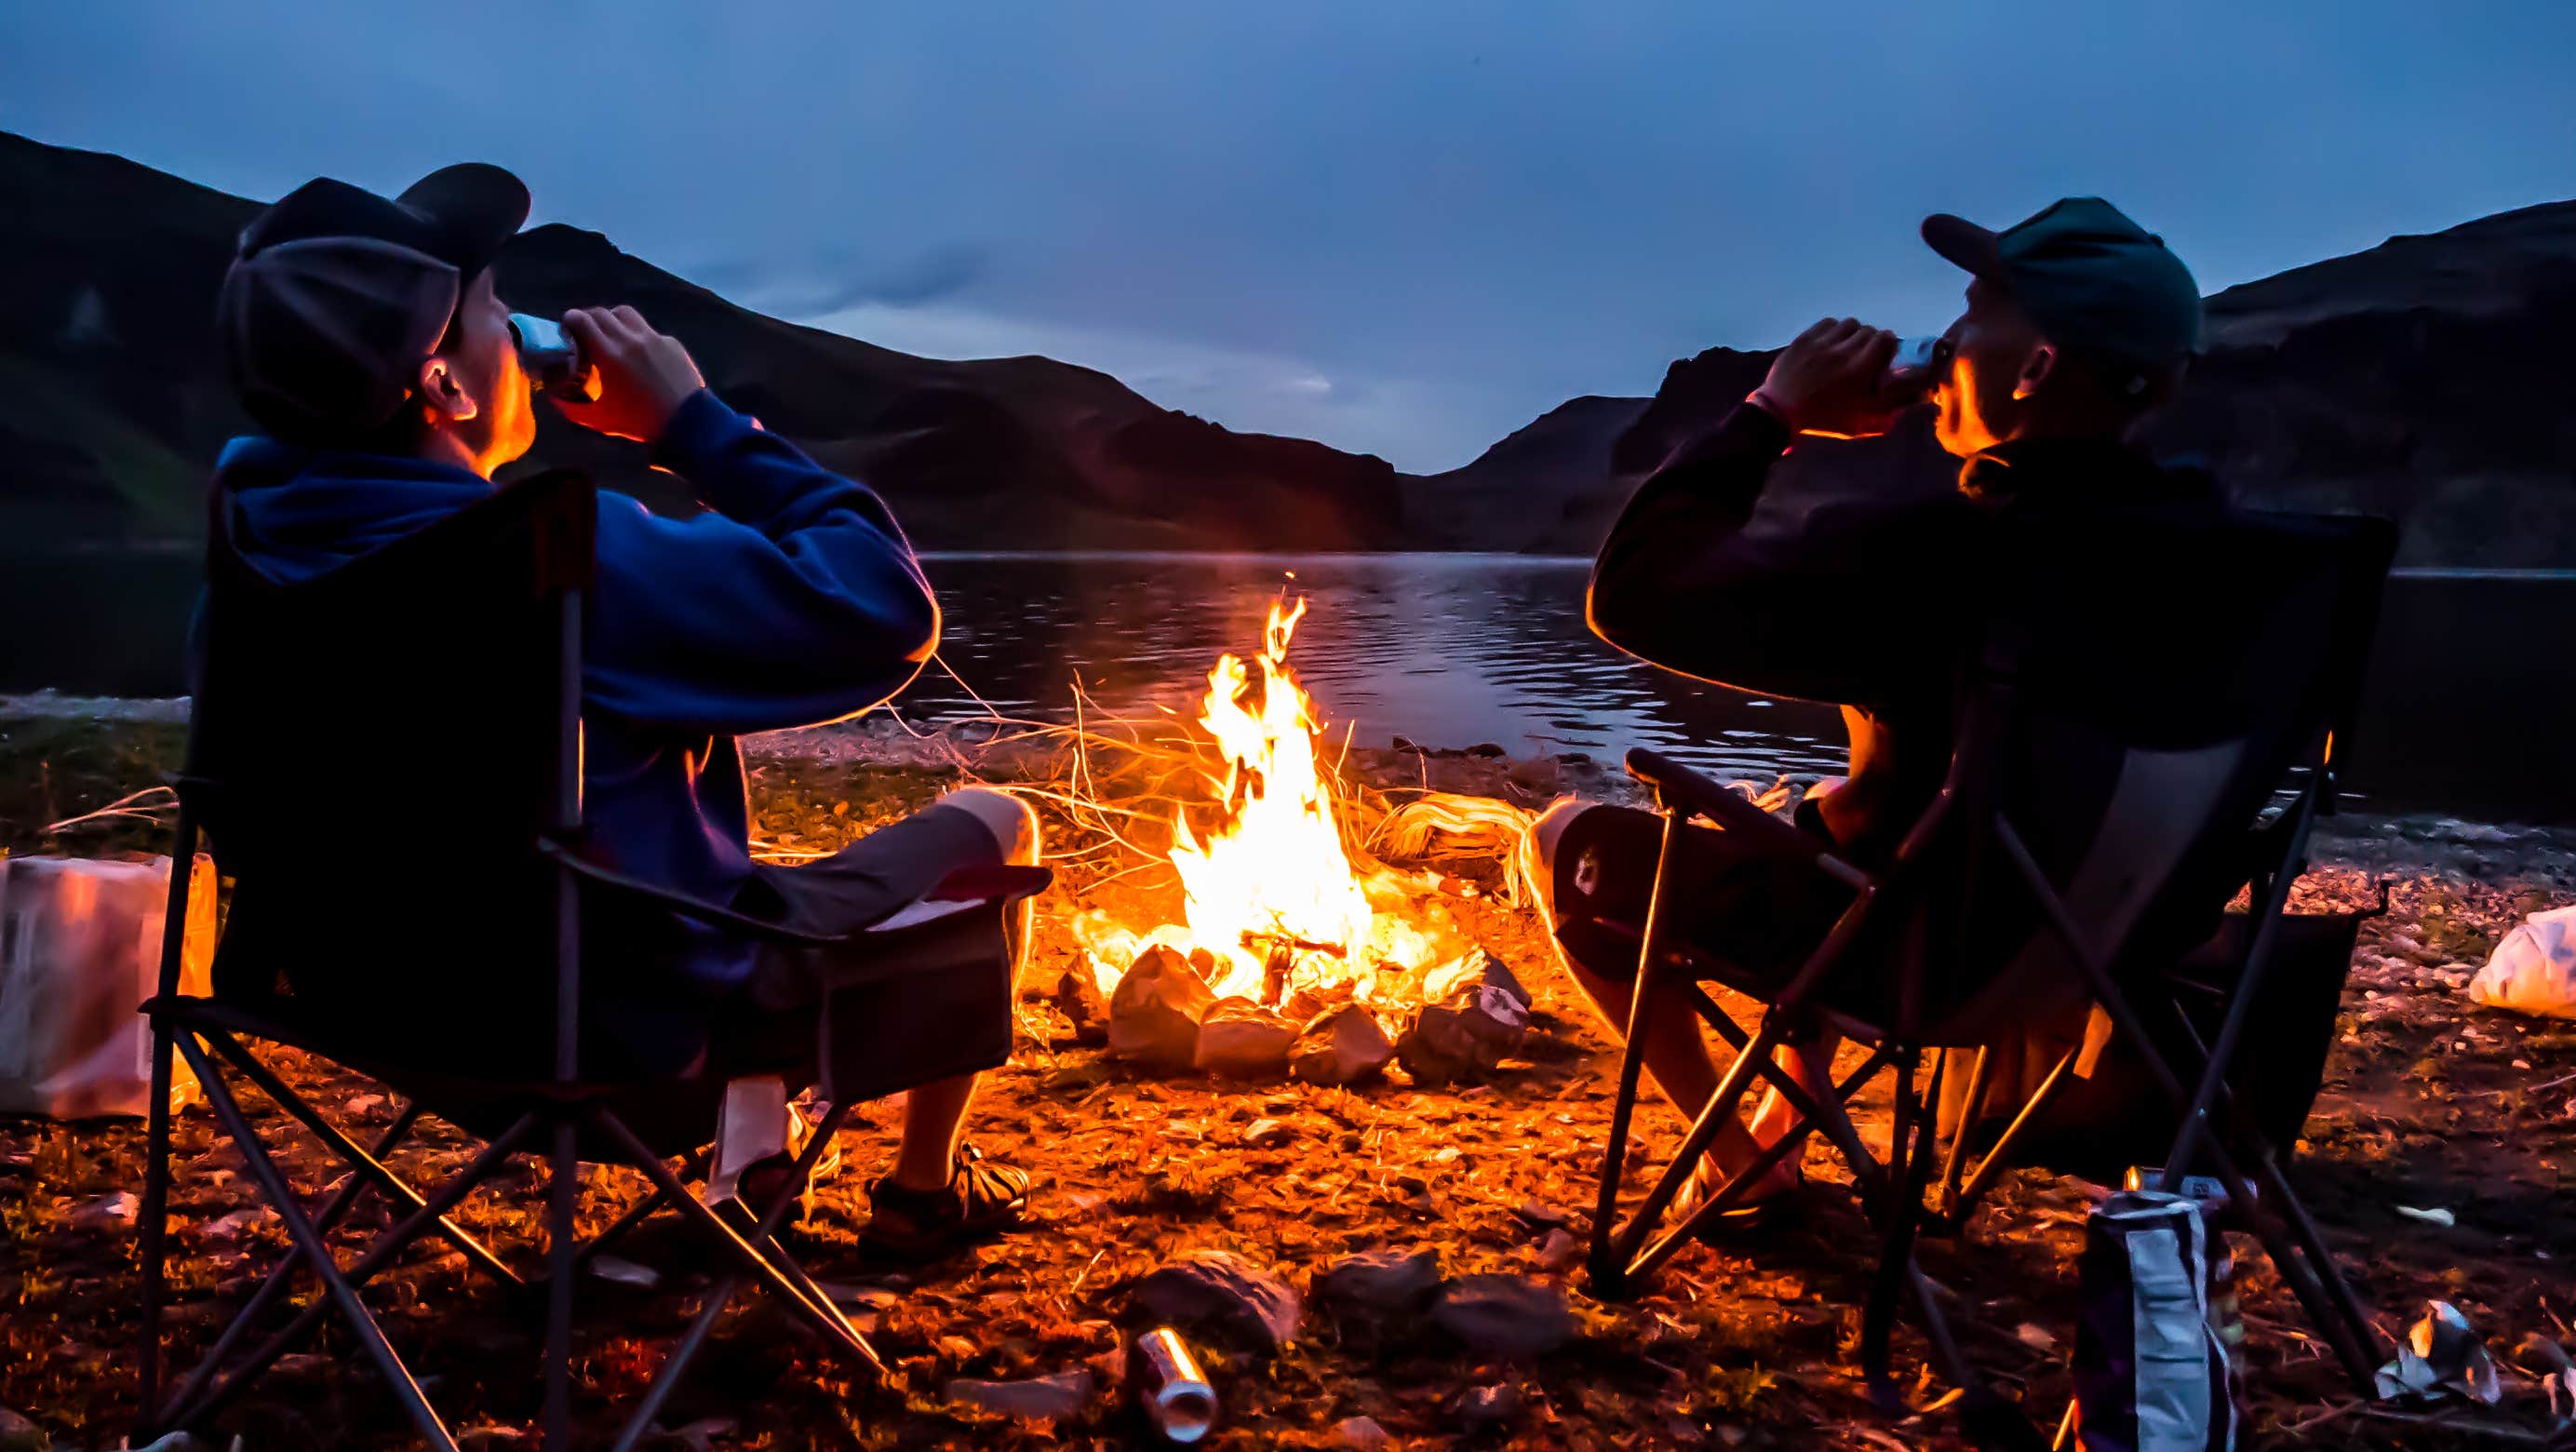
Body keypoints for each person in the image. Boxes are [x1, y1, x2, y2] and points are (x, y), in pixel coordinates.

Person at [208, 162, 1032, 1259]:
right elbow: (884, 608)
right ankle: (924, 1193)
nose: (527, 337)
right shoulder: (552, 553)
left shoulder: (255, 544)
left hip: (363, 1014)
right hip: (628, 1045)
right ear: (447, 387)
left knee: (654, 850)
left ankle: (755, 1171)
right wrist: (692, 428)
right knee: (998, 820)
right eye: (499, 313)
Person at [1527, 197, 2212, 1225]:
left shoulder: (1941, 553)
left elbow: (1633, 594)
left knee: (1564, 838)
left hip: (1923, 962)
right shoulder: (2226, 552)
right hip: (2108, 951)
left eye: (1971, 316)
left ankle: (1733, 1160)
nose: (1939, 348)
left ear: (2027, 370)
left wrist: (1767, 418)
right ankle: (1781, 1118)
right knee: (1835, 810)